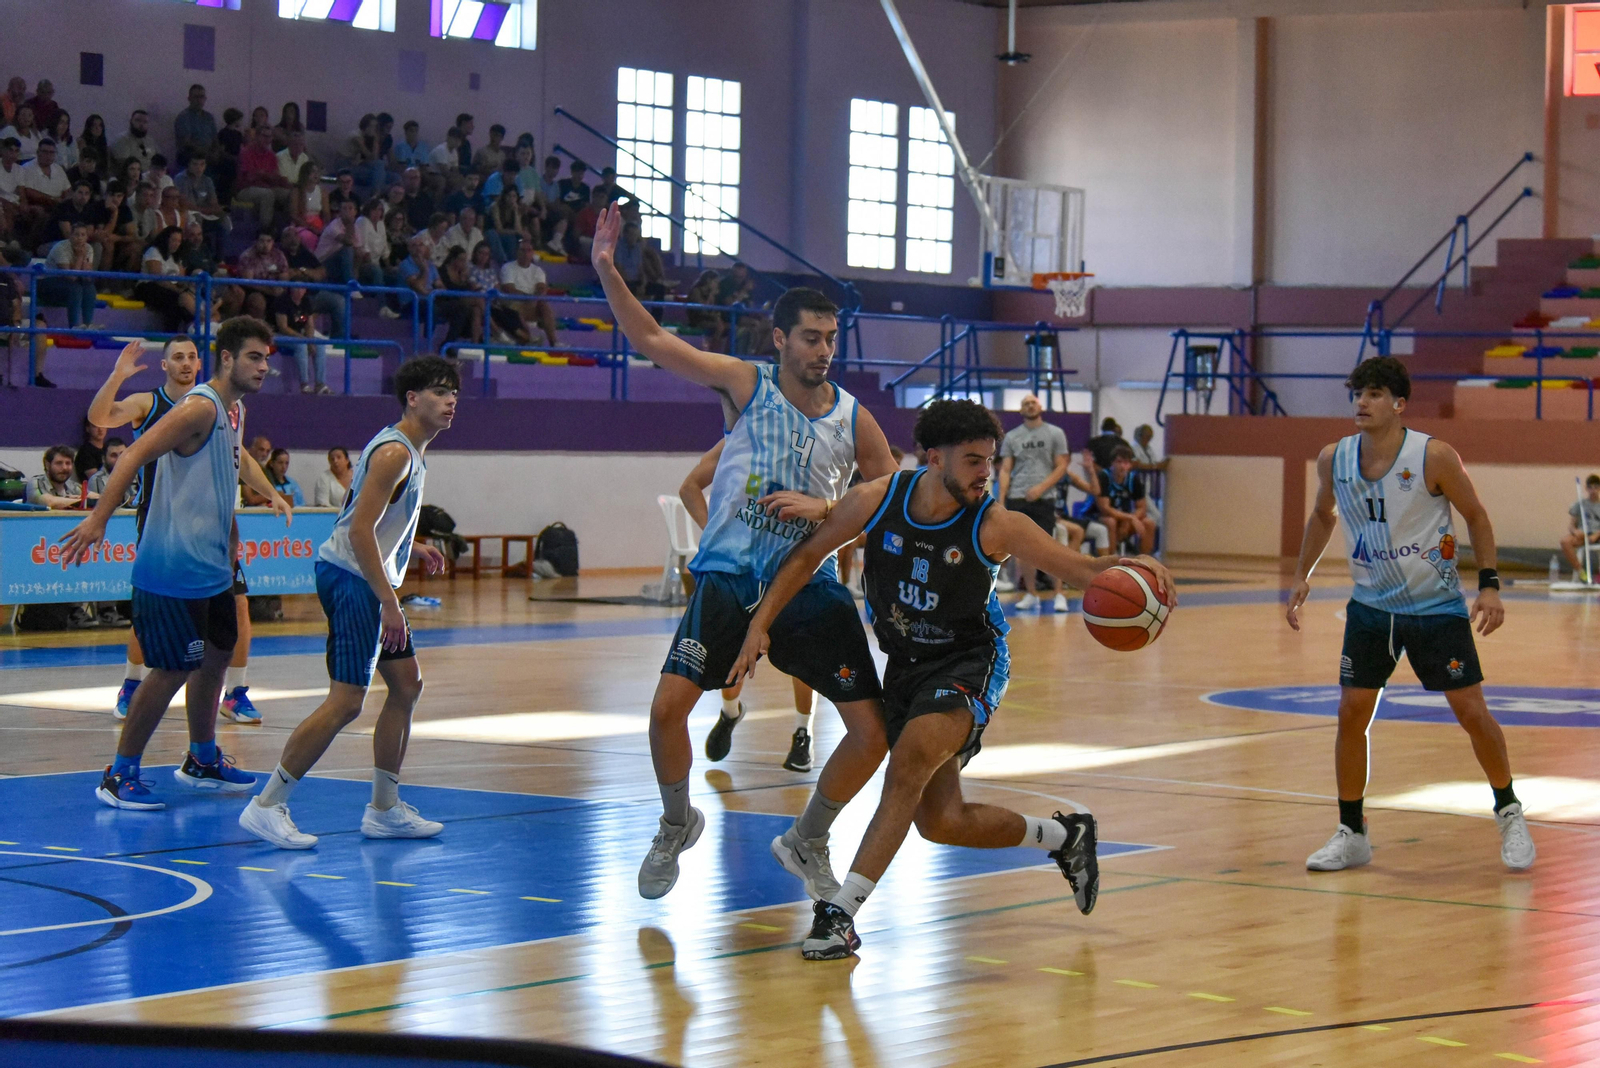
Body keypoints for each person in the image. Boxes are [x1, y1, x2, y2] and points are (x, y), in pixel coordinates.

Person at [725, 399, 1174, 960]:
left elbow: (1078, 570)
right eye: (972, 461)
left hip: (969, 662)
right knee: (941, 821)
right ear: (933, 458)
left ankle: (839, 913)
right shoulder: (877, 498)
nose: (985, 472)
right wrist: (758, 627)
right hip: (907, 663)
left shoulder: (995, 523)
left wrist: (1134, 568)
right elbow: (808, 554)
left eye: (990, 460)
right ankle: (1066, 836)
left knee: (907, 761)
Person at [592, 203, 900, 899]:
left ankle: (809, 836)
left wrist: (828, 509)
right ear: (780, 339)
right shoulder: (745, 385)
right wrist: (608, 269)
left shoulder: (854, 417)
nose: (824, 350)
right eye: (811, 338)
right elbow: (652, 340)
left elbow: (890, 488)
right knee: (667, 710)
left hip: (805, 583)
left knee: (871, 734)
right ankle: (677, 822)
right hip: (731, 579)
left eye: (831, 338)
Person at [1286, 355, 1534, 873]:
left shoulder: (1433, 456)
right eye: (1358, 393)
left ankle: (1509, 811)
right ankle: (1352, 831)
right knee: (1351, 713)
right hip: (1371, 608)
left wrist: (1489, 586)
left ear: (1399, 404)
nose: (1362, 402)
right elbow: (1321, 514)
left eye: (1374, 394)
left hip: (1436, 609)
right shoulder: (1335, 458)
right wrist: (1301, 574)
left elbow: (1477, 516)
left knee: (1472, 714)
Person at [58, 317, 287, 810]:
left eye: (267, 358)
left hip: (212, 568)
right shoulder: (199, 408)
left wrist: (235, 534)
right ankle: (119, 775)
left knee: (217, 656)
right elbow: (132, 454)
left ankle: (202, 758)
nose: (264, 366)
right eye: (254, 357)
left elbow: (224, 480)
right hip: (170, 566)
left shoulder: (233, 410)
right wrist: (98, 520)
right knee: (167, 670)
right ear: (226, 358)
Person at [239, 358, 457, 848]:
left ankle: (384, 809)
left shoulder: (409, 452)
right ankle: (266, 805)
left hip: (365, 575)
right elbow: (358, 530)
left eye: (454, 394)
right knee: (346, 702)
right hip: (354, 580)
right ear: (412, 398)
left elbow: (366, 517)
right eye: (440, 392)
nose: (450, 401)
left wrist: (408, 543)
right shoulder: (394, 454)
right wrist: (389, 601)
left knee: (406, 686)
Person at [679, 438, 819, 772]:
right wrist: (714, 532)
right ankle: (730, 713)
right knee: (733, 656)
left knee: (803, 659)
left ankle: (803, 732)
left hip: (792, 569)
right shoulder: (739, 437)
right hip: (742, 571)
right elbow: (689, 489)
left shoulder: (815, 440)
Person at [87, 337, 203, 719]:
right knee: (149, 609)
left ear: (199, 364)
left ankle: (230, 690)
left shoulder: (214, 405)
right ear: (164, 365)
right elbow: (99, 417)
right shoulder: (148, 402)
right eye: (177, 358)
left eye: (191, 357)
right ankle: (132, 682)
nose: (185, 363)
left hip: (206, 523)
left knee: (228, 607)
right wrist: (117, 376)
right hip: (158, 520)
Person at [999, 394, 1099, 611]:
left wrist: (1041, 488)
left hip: (1044, 498)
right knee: (1024, 549)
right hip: (1018, 496)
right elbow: (1006, 469)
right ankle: (1031, 593)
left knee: (1049, 546)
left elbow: (1061, 466)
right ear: (1021, 410)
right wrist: (1001, 499)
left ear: (1040, 406)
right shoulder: (1013, 437)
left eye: (1032, 402)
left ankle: (1058, 594)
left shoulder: (1055, 433)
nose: (1029, 405)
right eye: (1025, 403)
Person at [1092, 446, 1156, 555]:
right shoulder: (1104, 477)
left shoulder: (1133, 479)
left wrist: (1130, 519)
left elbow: (1142, 507)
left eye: (1126, 463)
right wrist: (1130, 518)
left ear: (1130, 465)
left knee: (1148, 523)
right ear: (1112, 463)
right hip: (1096, 516)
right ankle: (1111, 561)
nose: (1122, 466)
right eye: (1119, 462)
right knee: (1111, 522)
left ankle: (1144, 562)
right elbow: (1105, 508)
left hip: (1123, 518)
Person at [498, 236, 559, 347]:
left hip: (532, 304)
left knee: (544, 306)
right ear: (517, 252)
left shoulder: (538, 270)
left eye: (529, 250)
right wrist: (528, 298)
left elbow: (542, 288)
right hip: (512, 305)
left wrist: (533, 299)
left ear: (532, 253)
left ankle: (554, 342)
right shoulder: (507, 267)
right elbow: (509, 288)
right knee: (514, 305)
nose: (526, 253)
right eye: (523, 250)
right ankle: (528, 339)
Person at [135, 226, 195, 332]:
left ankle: (197, 326)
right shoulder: (153, 251)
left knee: (188, 299)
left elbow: (180, 279)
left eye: (179, 241)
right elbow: (157, 278)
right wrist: (179, 291)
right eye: (174, 240)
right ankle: (171, 333)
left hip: (171, 288)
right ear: (166, 239)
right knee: (175, 301)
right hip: (148, 286)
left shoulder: (175, 257)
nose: (176, 244)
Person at [40, 219, 98, 329]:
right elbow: (71, 277)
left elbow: (88, 278)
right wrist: (80, 257)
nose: (80, 238)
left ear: (87, 237)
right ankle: (74, 326)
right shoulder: (60, 248)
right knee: (75, 288)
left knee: (90, 287)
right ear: (70, 236)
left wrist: (85, 264)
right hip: (48, 282)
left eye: (83, 235)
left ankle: (88, 324)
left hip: (69, 283)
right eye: (76, 234)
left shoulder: (88, 248)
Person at [235, 124, 291, 232]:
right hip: (245, 190)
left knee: (289, 194)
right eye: (265, 136)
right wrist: (267, 176)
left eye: (270, 137)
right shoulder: (246, 152)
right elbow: (250, 178)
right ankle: (265, 231)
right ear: (256, 136)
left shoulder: (271, 156)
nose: (268, 140)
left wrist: (263, 174)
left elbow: (274, 177)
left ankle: (286, 230)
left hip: (267, 187)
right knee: (267, 194)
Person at [273, 286, 328, 394]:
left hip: (299, 335)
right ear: (291, 289)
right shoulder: (282, 301)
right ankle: (304, 384)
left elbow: (309, 325)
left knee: (320, 345)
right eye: (296, 288)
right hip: (278, 335)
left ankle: (320, 384)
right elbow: (283, 327)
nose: (299, 291)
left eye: (302, 289)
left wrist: (310, 340)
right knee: (301, 346)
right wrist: (303, 339)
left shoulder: (306, 301)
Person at [1559, 473, 1600, 578]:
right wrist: (1574, 531)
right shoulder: (1580, 504)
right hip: (1583, 534)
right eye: (1590, 488)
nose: (1593, 490)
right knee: (1565, 542)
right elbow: (1571, 526)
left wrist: (1596, 536)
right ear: (1586, 488)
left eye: (1596, 487)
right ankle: (1581, 571)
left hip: (1597, 535)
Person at [89, 436, 134, 506]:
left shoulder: (135, 475)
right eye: (114, 455)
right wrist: (128, 502)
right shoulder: (97, 480)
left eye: (123, 454)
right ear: (103, 459)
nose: (119, 459)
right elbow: (101, 507)